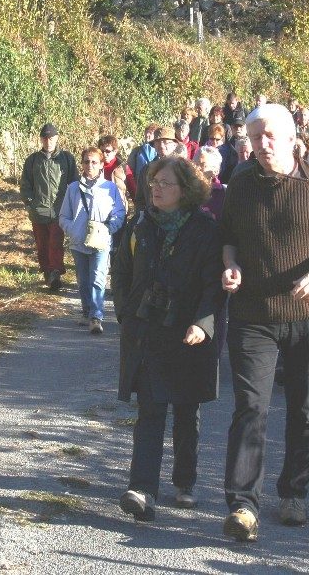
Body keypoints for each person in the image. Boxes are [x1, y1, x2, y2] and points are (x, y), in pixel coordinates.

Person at [220, 104, 309, 541]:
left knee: (304, 407)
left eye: (270, 136)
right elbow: (227, 236)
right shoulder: (239, 184)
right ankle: (244, 506)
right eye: (254, 136)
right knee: (251, 408)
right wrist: (231, 266)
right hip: (253, 318)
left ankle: (294, 493)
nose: (262, 145)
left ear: (291, 138)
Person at [112, 156, 224, 522]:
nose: (155, 189)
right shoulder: (140, 224)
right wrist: (127, 315)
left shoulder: (205, 229)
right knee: (150, 409)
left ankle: (185, 482)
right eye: (153, 182)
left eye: (165, 183)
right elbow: (121, 273)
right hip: (147, 332)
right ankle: (142, 489)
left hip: (188, 333)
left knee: (186, 409)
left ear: (185, 190)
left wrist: (202, 324)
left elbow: (214, 286)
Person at [59, 147, 126, 334]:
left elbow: (120, 213)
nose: (90, 165)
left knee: (97, 278)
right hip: (78, 242)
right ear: (82, 164)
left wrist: (108, 229)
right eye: (87, 162)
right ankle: (87, 310)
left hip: (101, 242)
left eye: (94, 162)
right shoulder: (72, 189)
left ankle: (96, 317)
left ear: (101, 165)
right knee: (83, 280)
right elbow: (63, 216)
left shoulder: (110, 188)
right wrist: (72, 230)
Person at [20, 123, 77, 291]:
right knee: (42, 245)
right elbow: (25, 185)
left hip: (59, 211)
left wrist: (72, 206)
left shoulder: (66, 159)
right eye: (45, 138)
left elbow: (73, 184)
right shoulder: (32, 160)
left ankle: (55, 273)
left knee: (55, 243)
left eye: (51, 138)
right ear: (41, 140)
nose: (48, 141)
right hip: (39, 211)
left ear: (57, 138)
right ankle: (47, 272)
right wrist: (31, 205)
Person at [134, 126, 183, 213]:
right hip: (152, 219)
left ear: (175, 145)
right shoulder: (146, 169)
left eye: (166, 142)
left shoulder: (183, 168)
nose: (161, 146)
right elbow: (140, 199)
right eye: (157, 142)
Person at [128, 124, 160, 196]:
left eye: (151, 133)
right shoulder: (137, 151)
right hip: (140, 184)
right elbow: (130, 169)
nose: (147, 135)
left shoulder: (159, 150)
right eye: (146, 132)